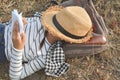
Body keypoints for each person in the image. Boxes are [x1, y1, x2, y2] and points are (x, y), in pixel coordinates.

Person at [0, 6, 93, 79]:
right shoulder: (41, 20)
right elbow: (11, 25)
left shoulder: (46, 56)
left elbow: (16, 76)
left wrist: (17, 48)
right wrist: (16, 23)